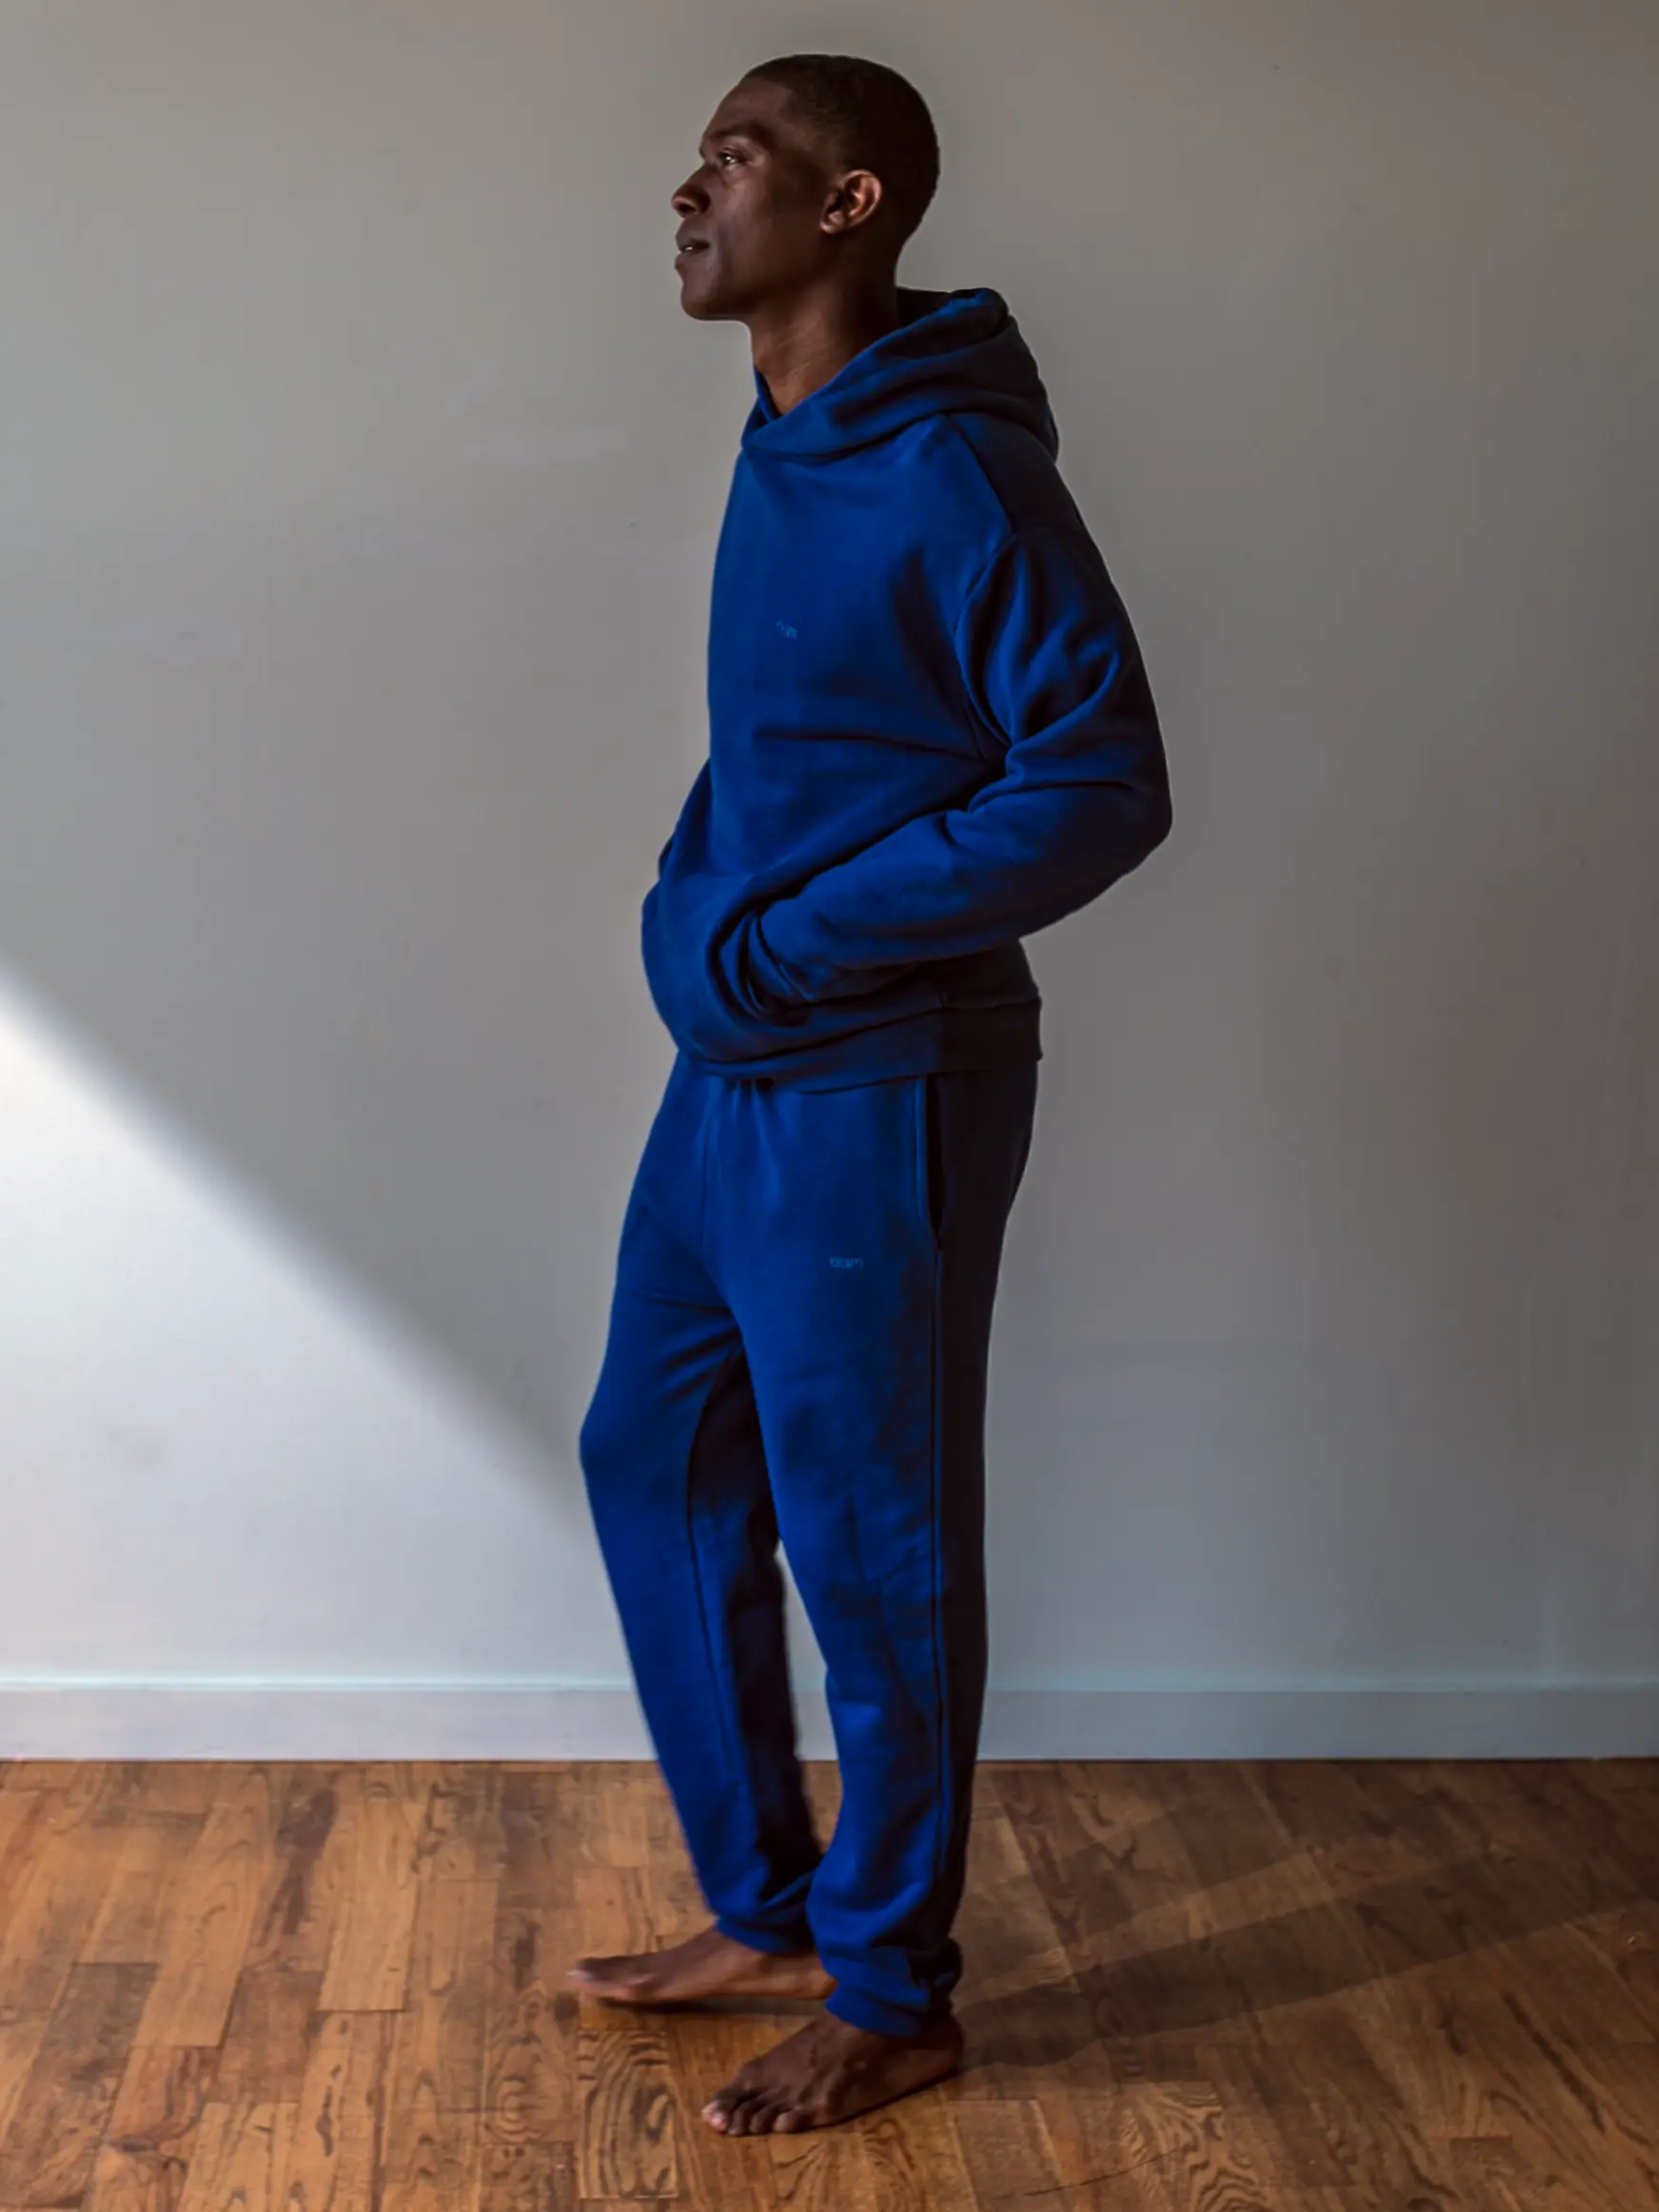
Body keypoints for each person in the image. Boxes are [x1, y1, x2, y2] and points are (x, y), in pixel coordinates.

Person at [571, 52, 1171, 2136]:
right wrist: (688, 906)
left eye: (733, 157)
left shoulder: (953, 472)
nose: (689, 186)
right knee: (651, 1458)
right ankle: (771, 1904)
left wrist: (798, 942)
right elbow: (797, 747)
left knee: (874, 1550)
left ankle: (896, 1986)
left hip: (881, 1088)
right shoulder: (784, 439)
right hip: (734, 1067)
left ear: (850, 205)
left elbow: (1098, 780)